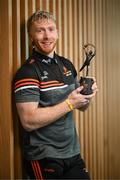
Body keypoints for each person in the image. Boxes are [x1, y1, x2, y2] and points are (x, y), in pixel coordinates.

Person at [14, 11, 98, 179]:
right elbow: (28, 121)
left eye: (51, 29)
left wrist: (87, 95)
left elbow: (83, 107)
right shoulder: (27, 71)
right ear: (31, 36)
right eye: (40, 30)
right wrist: (69, 103)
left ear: (57, 33)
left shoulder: (67, 64)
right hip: (44, 157)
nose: (47, 36)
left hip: (72, 153)